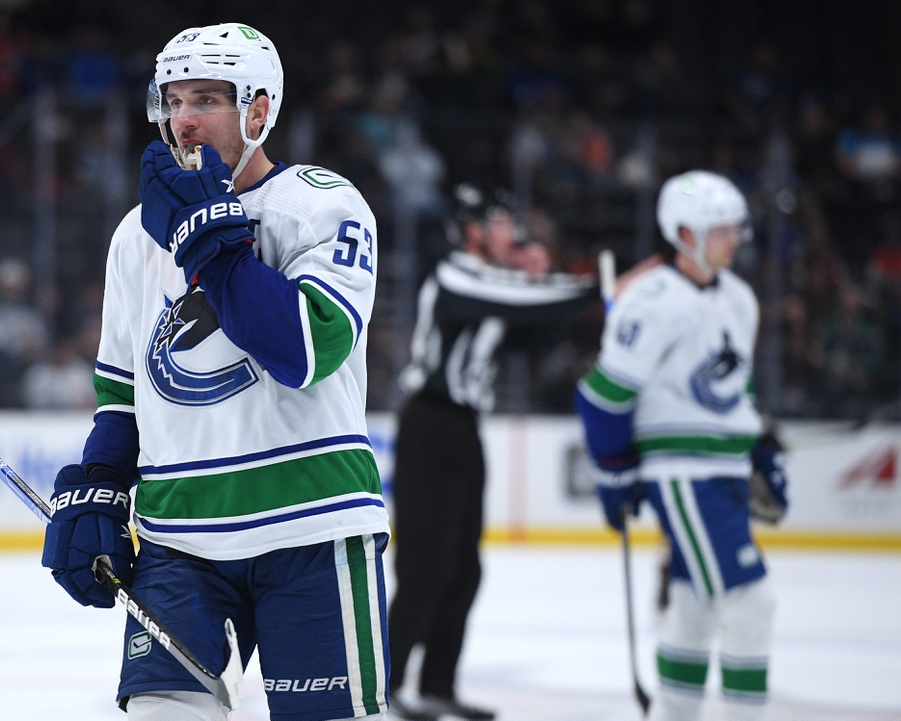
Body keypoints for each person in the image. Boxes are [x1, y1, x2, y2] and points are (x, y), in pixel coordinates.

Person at [40, 23, 391, 721]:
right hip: (178, 539)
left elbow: (305, 351)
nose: (183, 120)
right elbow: (123, 394)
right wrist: (101, 484)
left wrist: (211, 244)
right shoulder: (135, 235)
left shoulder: (321, 205)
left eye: (206, 99)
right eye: (172, 101)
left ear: (260, 110)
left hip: (313, 531)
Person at [575, 170, 789, 721]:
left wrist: (760, 448)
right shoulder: (651, 300)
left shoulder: (740, 299)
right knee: (752, 602)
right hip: (685, 475)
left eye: (735, 229)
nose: (734, 240)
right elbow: (602, 398)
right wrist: (615, 473)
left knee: (695, 603)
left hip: (725, 470)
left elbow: (736, 391)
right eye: (721, 230)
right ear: (685, 234)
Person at [387, 185, 599, 720]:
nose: (514, 232)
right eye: (501, 222)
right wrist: (585, 286)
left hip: (464, 429)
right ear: (473, 231)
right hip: (429, 425)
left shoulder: (495, 288)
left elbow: (537, 340)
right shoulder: (457, 275)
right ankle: (383, 686)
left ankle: (437, 685)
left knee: (463, 568)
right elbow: (524, 303)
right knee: (424, 568)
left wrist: (542, 282)